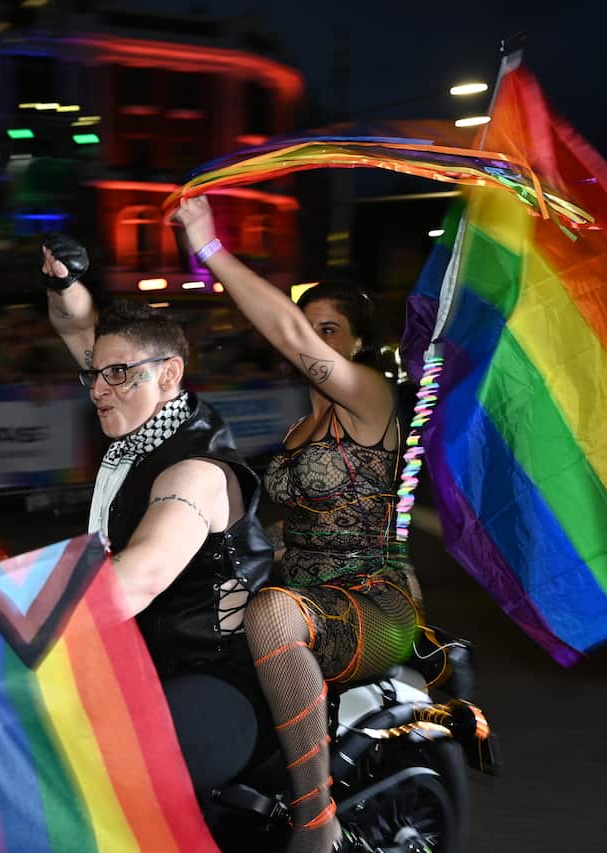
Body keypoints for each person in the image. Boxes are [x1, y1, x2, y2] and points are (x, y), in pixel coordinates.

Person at [0, 232, 274, 786]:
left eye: (118, 375)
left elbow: (135, 582)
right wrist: (64, 282)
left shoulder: (194, 472)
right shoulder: (142, 422)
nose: (99, 389)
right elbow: (81, 328)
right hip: (137, 656)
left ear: (169, 374)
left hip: (215, 676)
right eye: (94, 375)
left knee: (86, 779)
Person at [173, 196, 423, 853]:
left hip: (375, 601)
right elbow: (292, 530)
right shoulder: (295, 430)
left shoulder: (370, 397)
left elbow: (285, 332)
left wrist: (209, 249)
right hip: (308, 592)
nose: (313, 339)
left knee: (273, 616)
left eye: (329, 329)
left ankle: (317, 821)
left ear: (360, 342)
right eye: (308, 328)